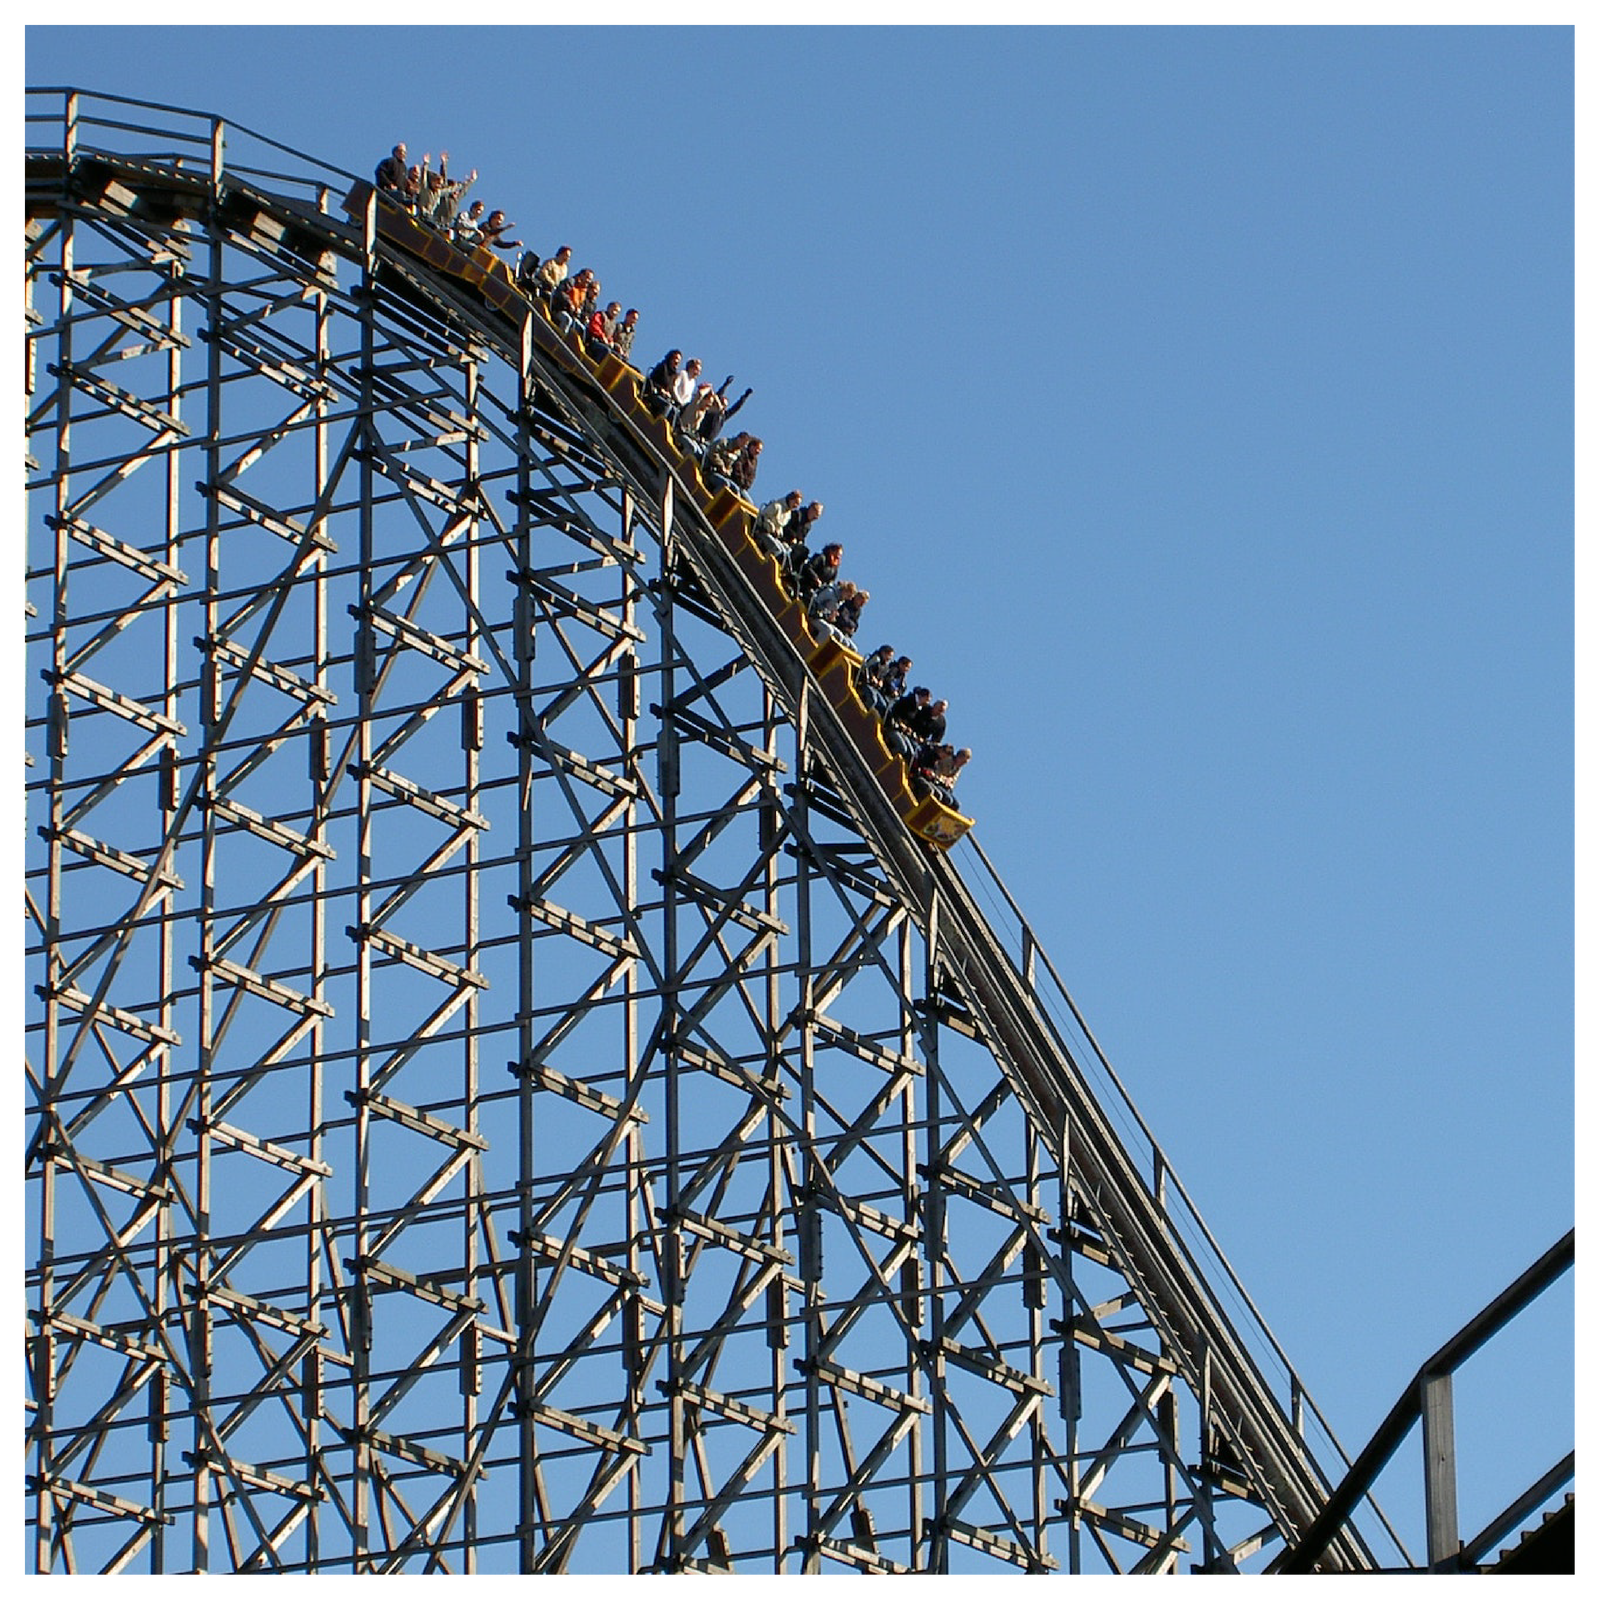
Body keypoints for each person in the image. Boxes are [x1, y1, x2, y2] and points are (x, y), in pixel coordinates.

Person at [642, 350, 681, 418]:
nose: (677, 362)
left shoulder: (674, 375)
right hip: (653, 393)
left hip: (663, 397)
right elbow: (651, 380)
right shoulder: (662, 367)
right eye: (676, 358)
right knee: (666, 406)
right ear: (671, 358)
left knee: (675, 411)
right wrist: (661, 390)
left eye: (679, 360)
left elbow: (670, 388)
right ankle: (658, 424)